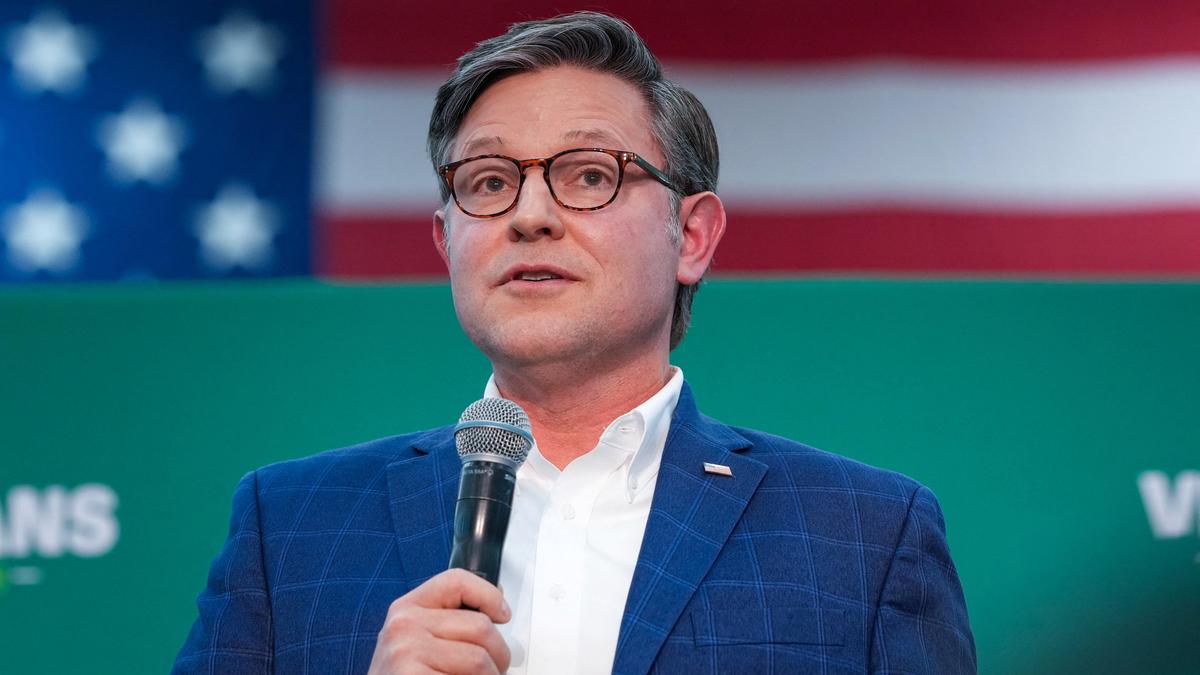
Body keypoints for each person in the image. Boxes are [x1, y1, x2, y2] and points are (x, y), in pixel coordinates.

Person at [174, 11, 975, 674]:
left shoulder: (865, 534)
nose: (529, 216)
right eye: (489, 182)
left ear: (693, 235)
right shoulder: (289, 526)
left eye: (590, 175)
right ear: (447, 241)